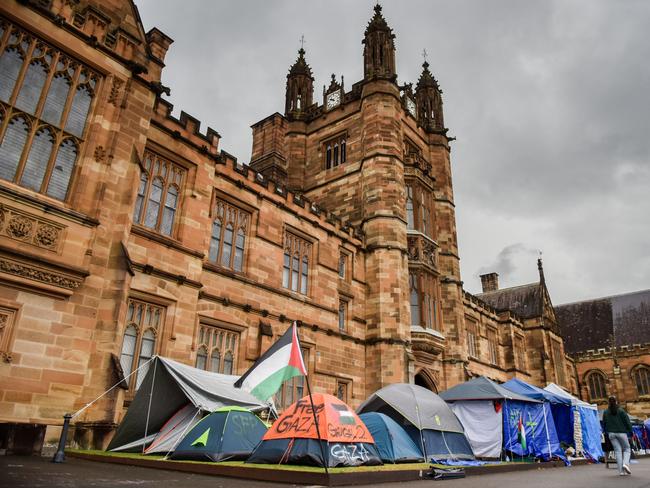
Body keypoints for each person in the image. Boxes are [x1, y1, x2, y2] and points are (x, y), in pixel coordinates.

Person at [602, 395, 633, 476]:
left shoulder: (605, 412)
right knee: (627, 449)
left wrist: (606, 432)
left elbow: (604, 423)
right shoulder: (621, 411)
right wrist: (630, 431)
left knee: (618, 451)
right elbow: (627, 422)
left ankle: (621, 472)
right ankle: (626, 464)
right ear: (616, 401)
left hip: (611, 434)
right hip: (621, 432)